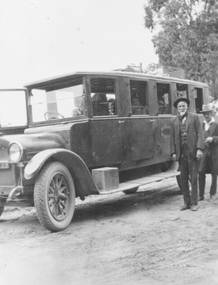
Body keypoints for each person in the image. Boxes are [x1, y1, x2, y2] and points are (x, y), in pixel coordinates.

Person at [171, 97, 204, 211]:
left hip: (192, 152)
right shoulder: (174, 121)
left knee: (193, 178)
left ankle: (194, 203)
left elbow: (200, 134)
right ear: (177, 108)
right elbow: (172, 138)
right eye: (179, 106)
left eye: (183, 106)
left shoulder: (194, 117)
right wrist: (173, 152)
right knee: (183, 178)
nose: (181, 108)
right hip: (181, 153)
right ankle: (186, 202)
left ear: (187, 107)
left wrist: (199, 149)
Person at [198, 104, 218, 201]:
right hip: (204, 151)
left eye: (208, 113)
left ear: (211, 113)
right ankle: (201, 194)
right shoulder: (201, 125)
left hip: (214, 152)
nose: (206, 116)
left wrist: (213, 138)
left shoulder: (216, 124)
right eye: (204, 114)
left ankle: (213, 193)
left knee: (214, 172)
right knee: (201, 170)